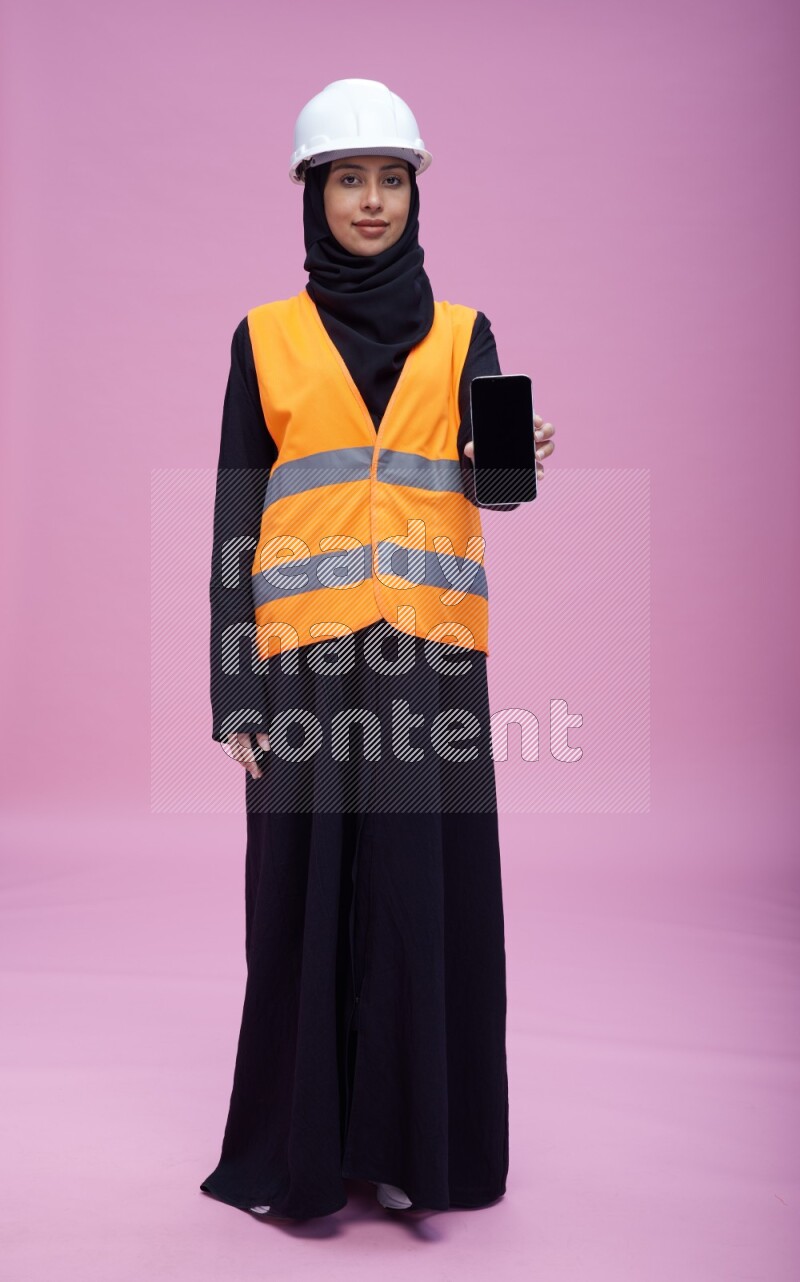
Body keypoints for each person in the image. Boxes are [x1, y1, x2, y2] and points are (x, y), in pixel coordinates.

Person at [199, 78, 556, 1221]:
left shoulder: (465, 335)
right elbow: (234, 526)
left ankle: (425, 1154)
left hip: (429, 668)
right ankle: (301, 1156)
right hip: (302, 668)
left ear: (414, 195)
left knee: (419, 903)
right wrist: (233, 694)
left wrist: (518, 453)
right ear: (313, 193)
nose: (369, 200)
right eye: (347, 179)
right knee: (298, 903)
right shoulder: (262, 339)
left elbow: (495, 494)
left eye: (388, 180)